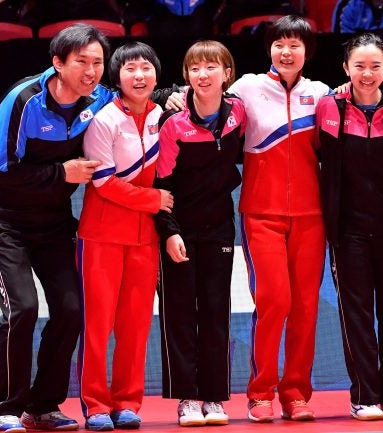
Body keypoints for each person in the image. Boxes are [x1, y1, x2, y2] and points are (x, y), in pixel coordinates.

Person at [0, 23, 111, 433]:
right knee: (23, 309)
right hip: (5, 219)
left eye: (97, 62)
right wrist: (62, 173)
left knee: (72, 310)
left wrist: (168, 95)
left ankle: (43, 405)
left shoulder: (100, 97)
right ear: (57, 63)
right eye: (81, 62)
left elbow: (134, 94)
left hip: (52, 221)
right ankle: (7, 408)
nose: (91, 70)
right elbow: (3, 169)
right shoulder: (23, 101)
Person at [228, 15, 330, 423]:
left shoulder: (322, 94)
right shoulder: (246, 88)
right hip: (261, 214)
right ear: (269, 48)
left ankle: (295, 393)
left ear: (308, 51)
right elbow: (202, 100)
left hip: (311, 216)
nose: (286, 52)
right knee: (274, 301)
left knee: (305, 307)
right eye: (279, 44)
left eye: (295, 45)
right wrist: (172, 95)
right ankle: (260, 392)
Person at [315, 32, 383, 421]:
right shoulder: (328, 108)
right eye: (359, 66)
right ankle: (364, 395)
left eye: (375, 66)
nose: (367, 73)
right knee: (356, 315)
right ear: (345, 69)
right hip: (347, 231)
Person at [76, 41, 171, 431]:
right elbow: (104, 183)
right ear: (117, 76)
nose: (139, 75)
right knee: (98, 326)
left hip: (145, 240)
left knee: (135, 326)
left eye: (146, 68)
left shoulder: (164, 116)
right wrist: (154, 199)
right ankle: (96, 405)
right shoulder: (103, 120)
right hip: (101, 237)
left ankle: (127, 402)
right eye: (130, 69)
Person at [155, 40, 245, 428]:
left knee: (215, 311)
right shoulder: (173, 122)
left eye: (211, 67)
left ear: (227, 74)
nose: (203, 75)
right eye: (195, 68)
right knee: (178, 312)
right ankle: (187, 398)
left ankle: (214, 397)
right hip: (180, 227)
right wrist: (169, 232)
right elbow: (162, 182)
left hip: (220, 224)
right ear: (186, 76)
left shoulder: (238, 110)